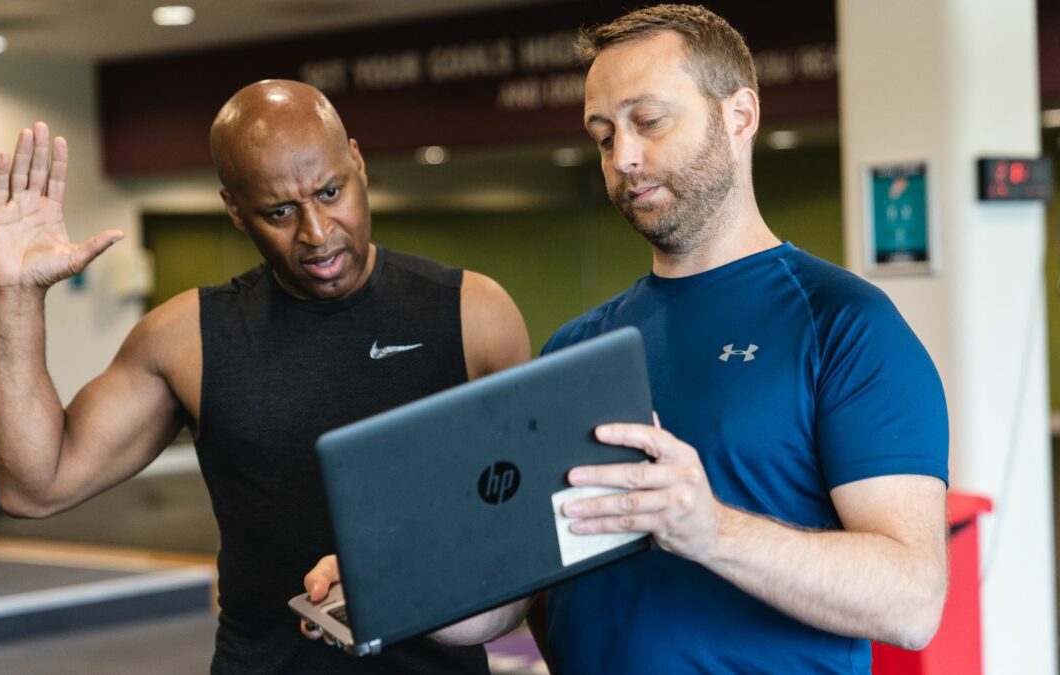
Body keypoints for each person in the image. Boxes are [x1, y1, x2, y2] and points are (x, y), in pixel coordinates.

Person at [305, 5, 949, 673]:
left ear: (739, 115)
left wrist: (710, 529)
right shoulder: (579, 349)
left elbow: (912, 598)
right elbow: (508, 598)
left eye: (649, 121)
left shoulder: (845, 324)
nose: (624, 158)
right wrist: (396, 576)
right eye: (604, 134)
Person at [0, 80, 529, 674]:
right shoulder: (186, 338)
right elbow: (34, 487)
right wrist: (16, 294)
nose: (317, 233)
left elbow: (532, 519)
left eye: (330, 191)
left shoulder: (472, 314)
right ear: (235, 210)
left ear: (358, 162)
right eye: (280, 211)